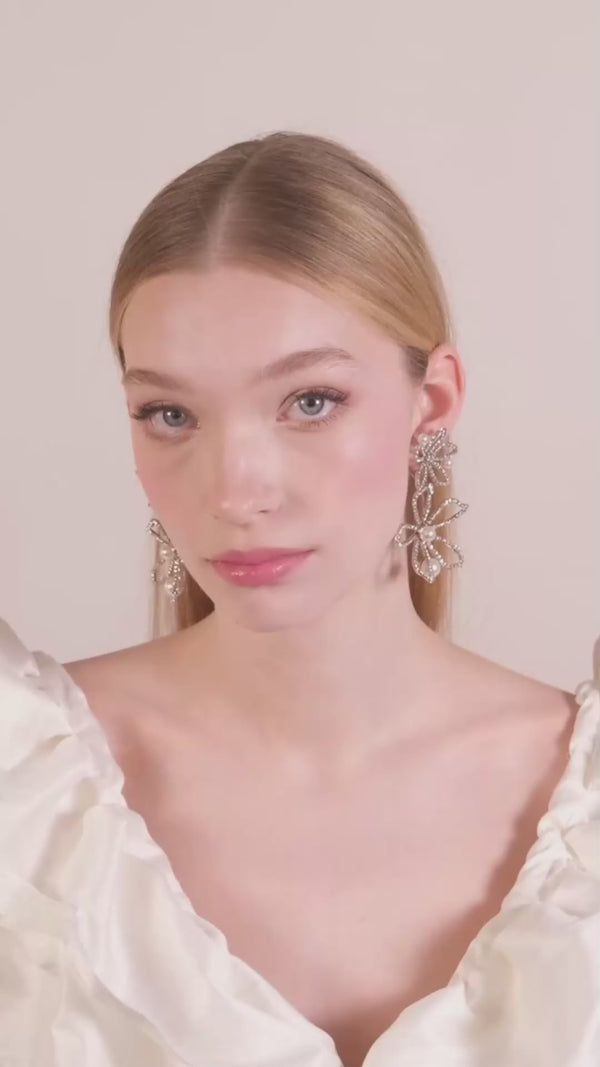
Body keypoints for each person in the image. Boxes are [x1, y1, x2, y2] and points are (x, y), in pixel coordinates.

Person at [1, 131, 598, 1067]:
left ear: (432, 400)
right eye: (170, 414)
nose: (235, 490)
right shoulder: (19, 791)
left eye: (310, 401)